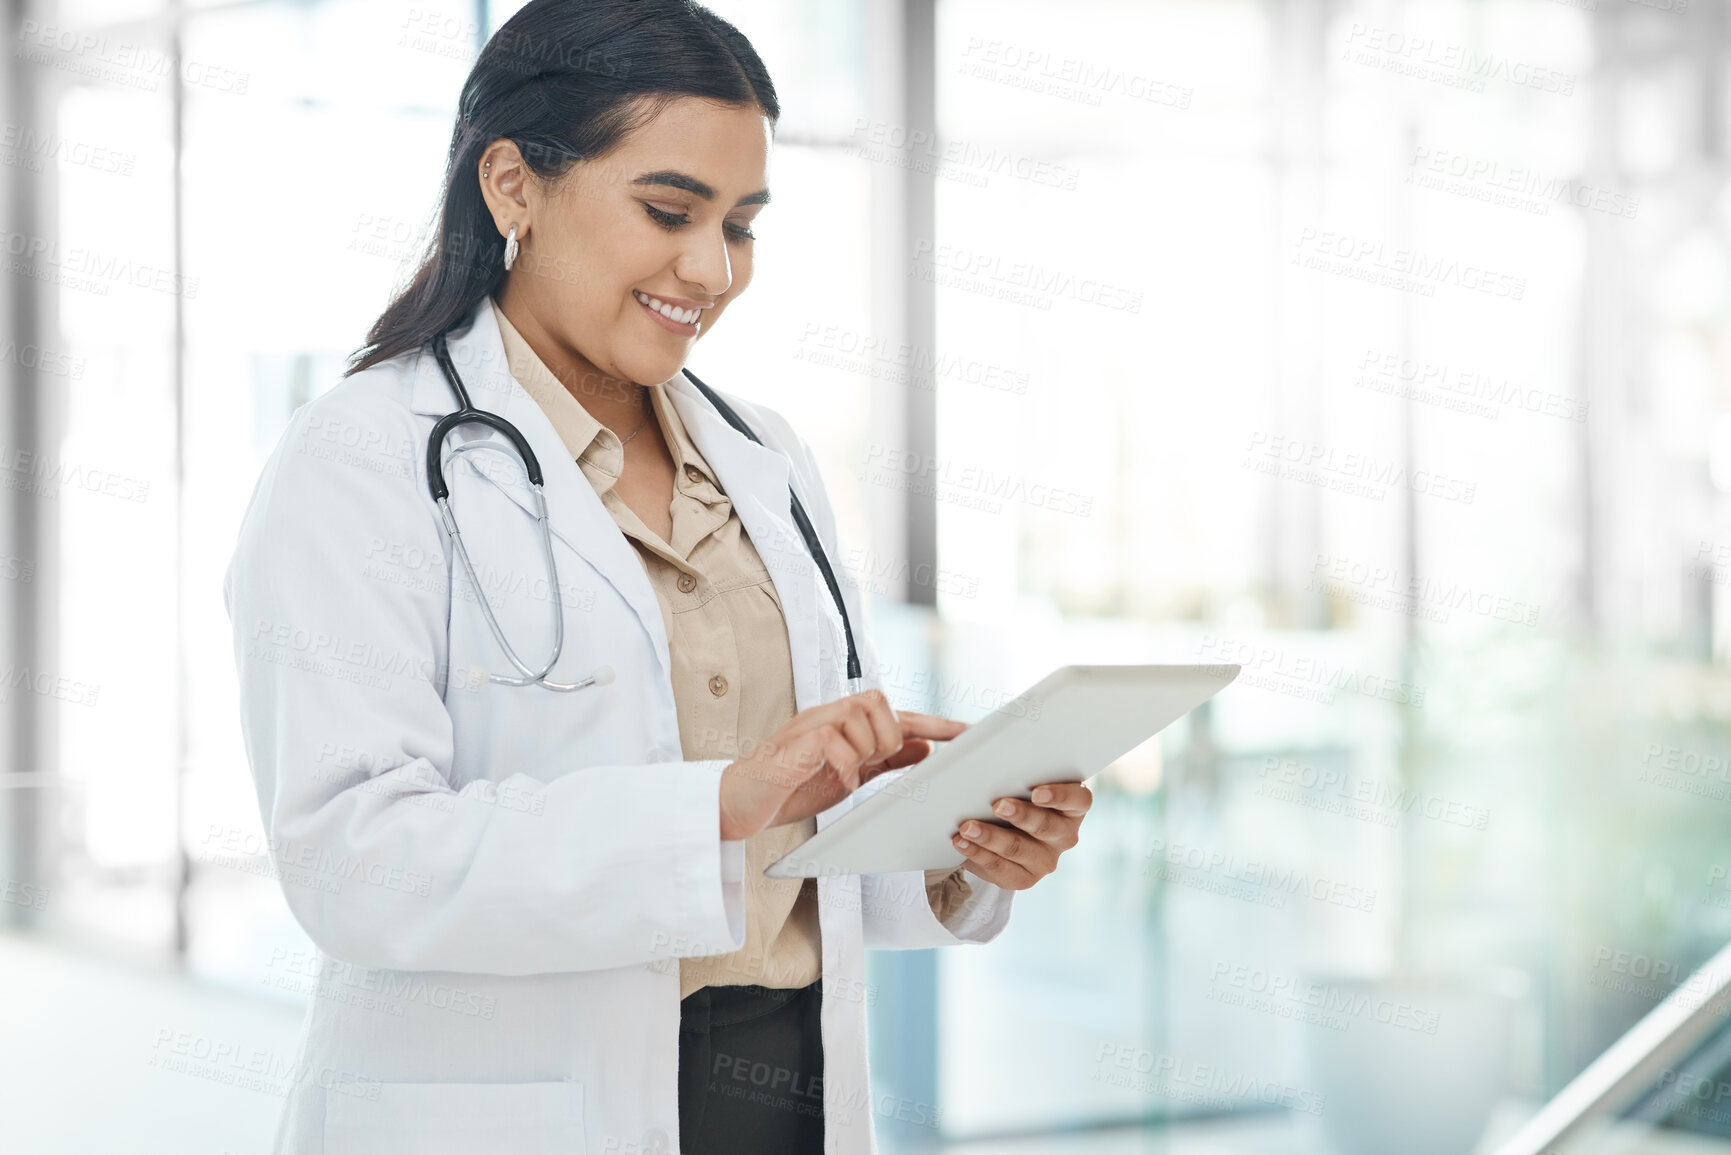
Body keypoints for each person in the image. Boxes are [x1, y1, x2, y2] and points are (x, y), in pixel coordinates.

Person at [224, 2, 1090, 1152]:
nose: (712, 268)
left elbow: (810, 839)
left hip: (782, 1092)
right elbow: (355, 862)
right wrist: (716, 804)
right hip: (510, 1111)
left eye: (742, 224)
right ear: (513, 185)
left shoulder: (766, 457)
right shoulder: (364, 458)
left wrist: (956, 847)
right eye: (670, 210)